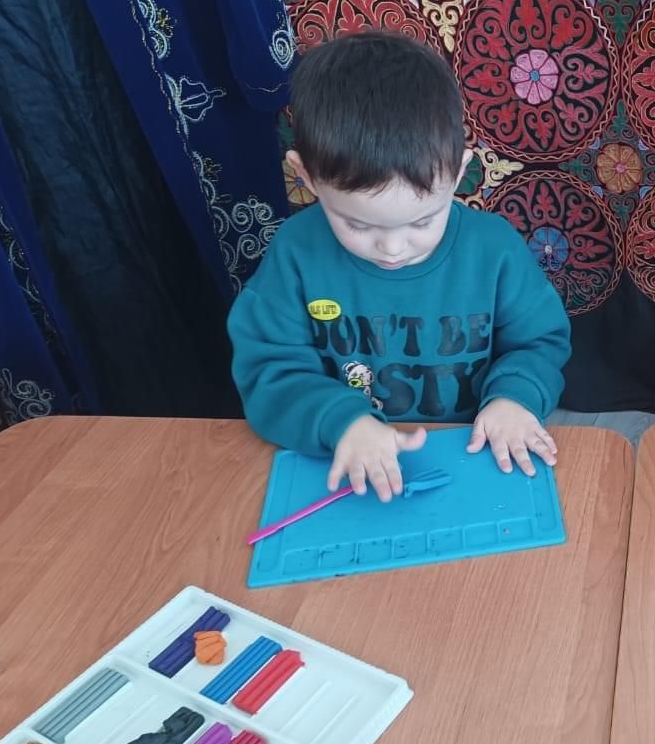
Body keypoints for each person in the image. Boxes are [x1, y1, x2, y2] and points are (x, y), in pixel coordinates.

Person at [228, 31, 570, 501]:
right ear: (305, 175)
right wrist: (340, 421)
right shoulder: (295, 254)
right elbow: (268, 369)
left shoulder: (494, 250)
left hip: (476, 453)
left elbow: (539, 343)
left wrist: (515, 398)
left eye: (423, 220)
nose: (392, 249)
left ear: (459, 171)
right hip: (343, 459)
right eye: (356, 223)